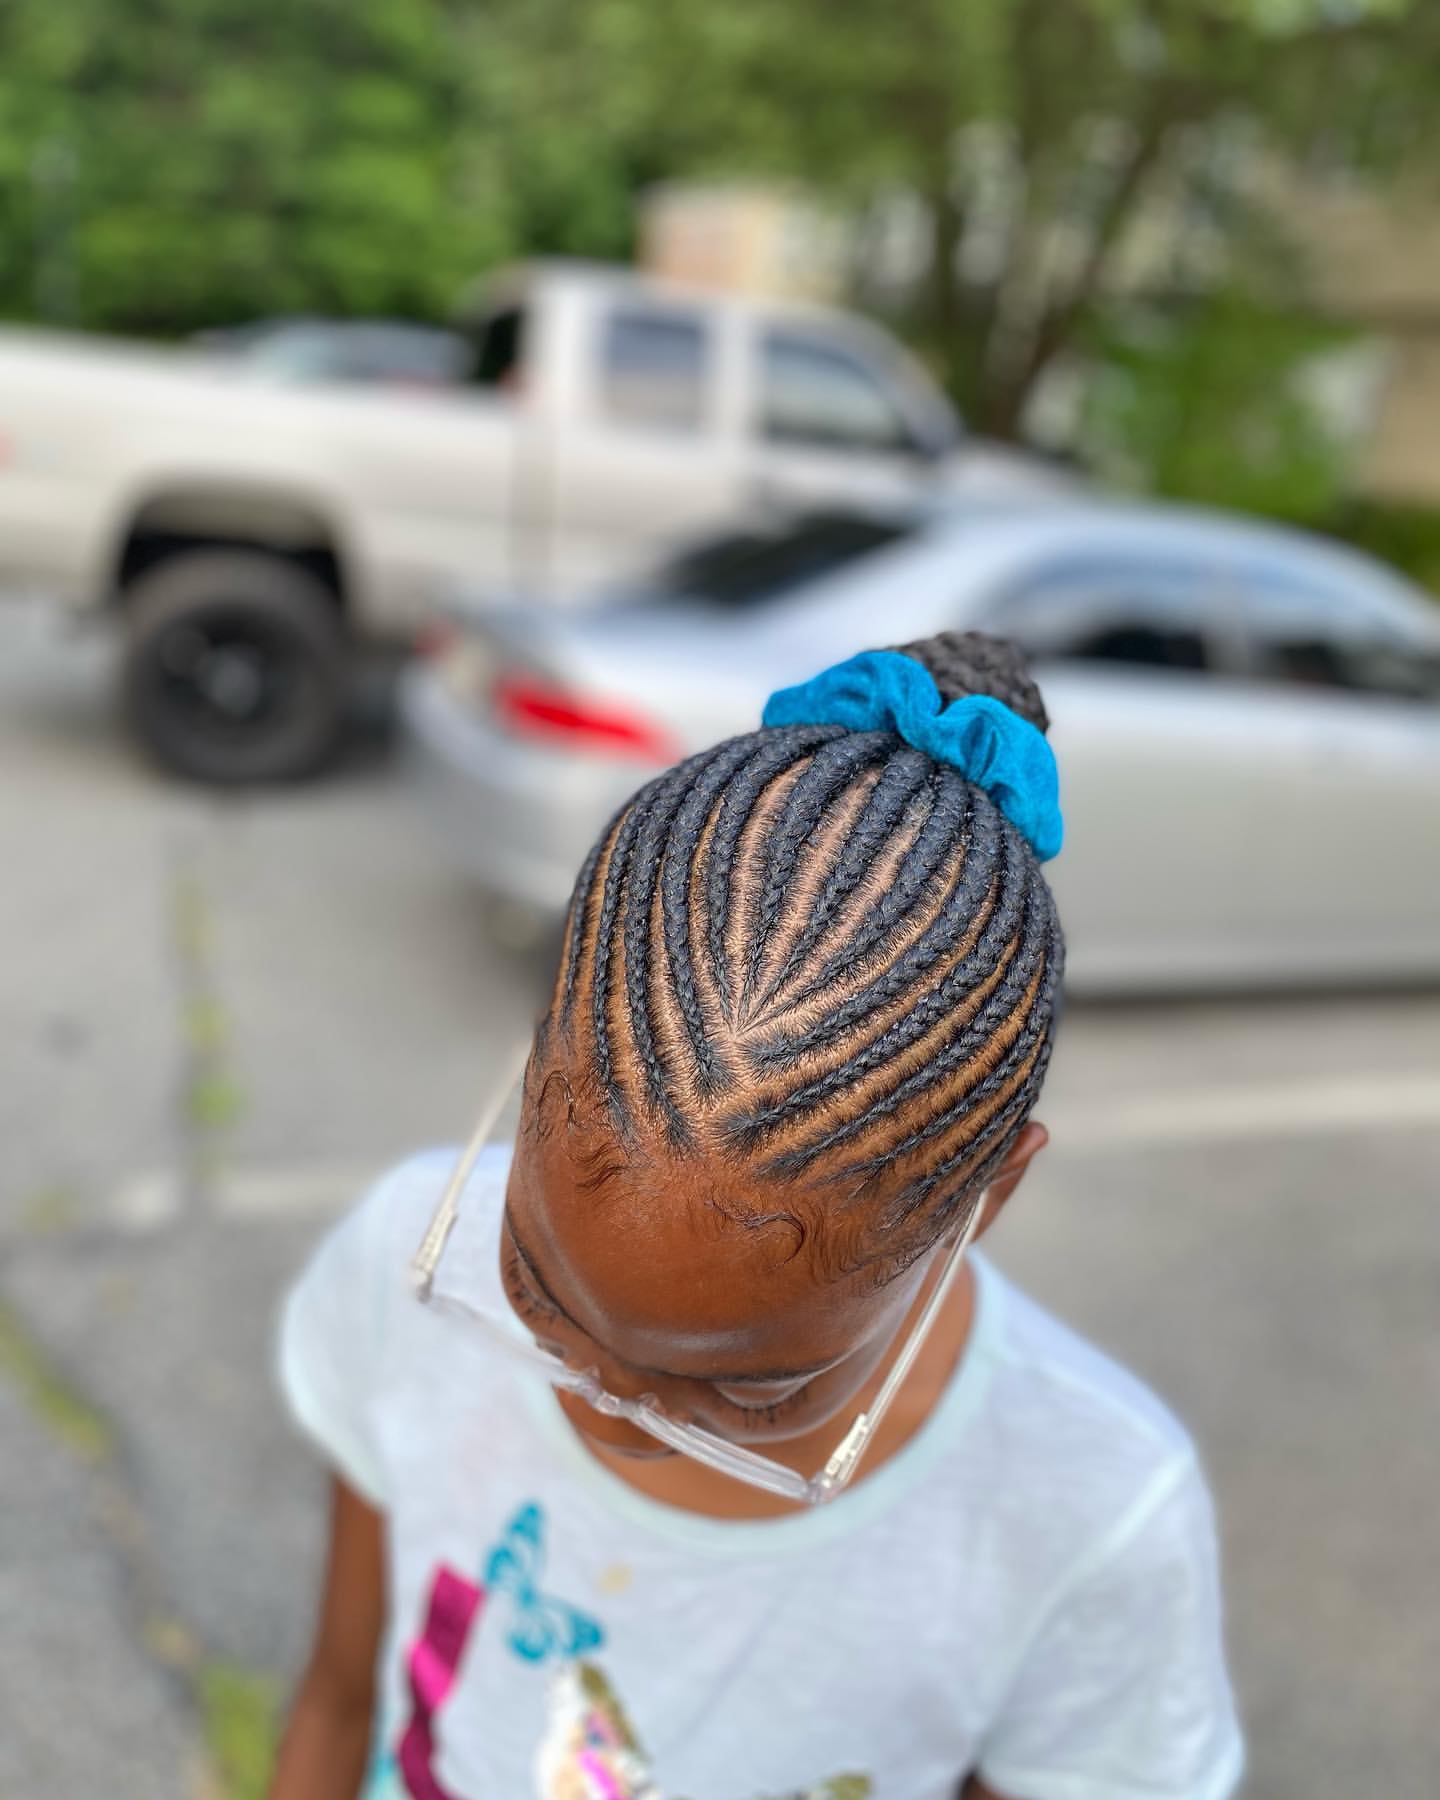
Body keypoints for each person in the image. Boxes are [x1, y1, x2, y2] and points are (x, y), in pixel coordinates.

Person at [270, 632, 1243, 1800]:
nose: (606, 1411)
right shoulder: (402, 1256)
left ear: (984, 1203)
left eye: (744, 1393)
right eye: (534, 1291)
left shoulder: (1090, 1518)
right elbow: (340, 1694)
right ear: (533, 1063)